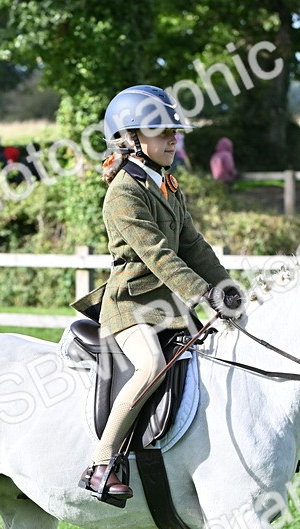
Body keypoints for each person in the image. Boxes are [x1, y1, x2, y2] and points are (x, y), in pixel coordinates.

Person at [72, 85, 245, 502]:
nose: (172, 140)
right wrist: (203, 293)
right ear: (131, 139)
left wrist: (228, 288)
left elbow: (193, 245)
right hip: (130, 306)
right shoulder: (123, 193)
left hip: (168, 306)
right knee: (151, 365)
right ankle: (100, 463)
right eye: (161, 132)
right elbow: (159, 256)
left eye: (174, 132)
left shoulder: (166, 184)